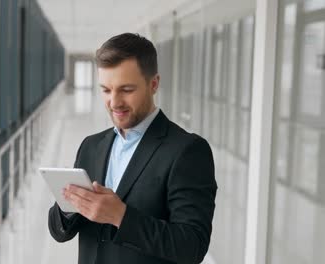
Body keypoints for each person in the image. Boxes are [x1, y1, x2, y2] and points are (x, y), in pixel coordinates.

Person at [48, 33, 217, 264]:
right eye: (106, 90)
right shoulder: (91, 145)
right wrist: (69, 206)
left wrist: (121, 216)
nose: (114, 102)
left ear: (154, 84)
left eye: (126, 90)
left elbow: (192, 246)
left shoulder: (187, 151)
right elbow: (59, 231)